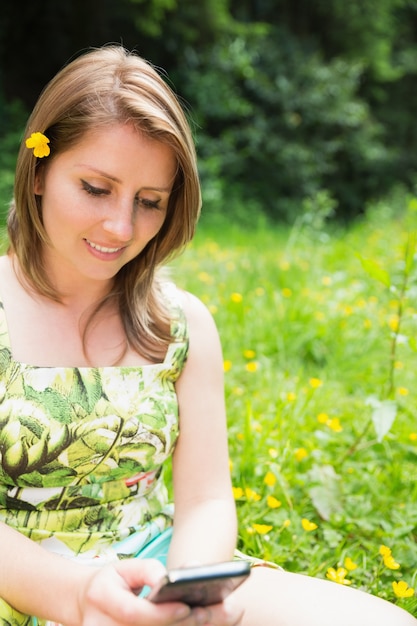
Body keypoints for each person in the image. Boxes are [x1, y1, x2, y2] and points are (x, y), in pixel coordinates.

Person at [0, 45, 414, 626]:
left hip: (153, 567)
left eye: (149, 203)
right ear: (38, 171)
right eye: (95, 188)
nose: (121, 227)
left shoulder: (180, 324)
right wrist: (79, 597)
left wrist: (181, 595)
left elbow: (207, 501)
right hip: (19, 585)